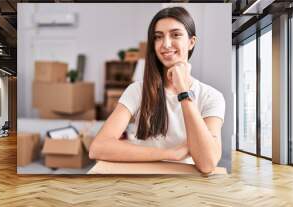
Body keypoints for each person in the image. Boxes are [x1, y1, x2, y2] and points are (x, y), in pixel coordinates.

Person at [89, 7, 225, 173]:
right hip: (144, 181)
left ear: (191, 42)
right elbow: (98, 148)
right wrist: (169, 154)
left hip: (188, 185)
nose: (166, 44)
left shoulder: (211, 96)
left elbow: (207, 163)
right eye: (158, 37)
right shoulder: (137, 90)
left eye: (176, 35)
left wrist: (183, 90)